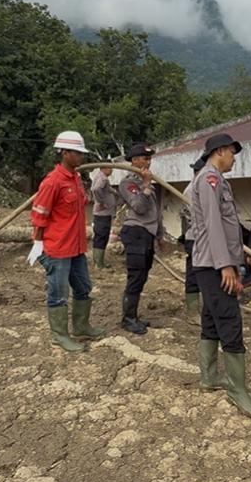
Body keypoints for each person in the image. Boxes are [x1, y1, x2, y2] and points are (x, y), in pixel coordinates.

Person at [191, 133, 251, 418]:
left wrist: (239, 258)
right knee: (229, 320)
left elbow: (227, 227)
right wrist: (225, 265)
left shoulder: (217, 180)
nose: (234, 158)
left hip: (216, 261)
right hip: (212, 264)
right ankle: (237, 390)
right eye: (232, 153)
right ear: (220, 151)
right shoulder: (209, 180)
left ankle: (209, 378)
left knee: (211, 318)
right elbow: (212, 225)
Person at [27, 131, 103, 353]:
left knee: (83, 287)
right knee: (58, 294)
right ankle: (59, 335)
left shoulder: (76, 179)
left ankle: (81, 326)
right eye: (77, 153)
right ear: (65, 153)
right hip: (57, 248)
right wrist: (38, 243)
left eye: (81, 153)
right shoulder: (53, 182)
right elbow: (39, 214)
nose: (81, 157)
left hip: (76, 247)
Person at [118, 143, 167, 335]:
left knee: (143, 276)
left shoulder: (148, 183)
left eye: (149, 159)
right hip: (135, 233)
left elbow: (156, 213)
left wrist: (160, 235)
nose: (148, 163)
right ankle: (128, 318)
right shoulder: (128, 183)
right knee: (136, 277)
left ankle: (134, 315)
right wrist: (145, 186)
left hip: (147, 234)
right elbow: (139, 206)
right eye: (145, 159)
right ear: (135, 160)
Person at [179, 157, 206, 318]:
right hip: (195, 237)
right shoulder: (191, 191)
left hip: (201, 237)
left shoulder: (201, 188)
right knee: (194, 273)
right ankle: (193, 311)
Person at [89, 165, 120, 269]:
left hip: (103, 213)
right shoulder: (102, 178)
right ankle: (99, 263)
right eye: (110, 168)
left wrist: (112, 191)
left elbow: (103, 188)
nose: (111, 170)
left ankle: (98, 261)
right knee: (102, 236)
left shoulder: (100, 177)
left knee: (100, 236)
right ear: (104, 168)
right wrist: (101, 202)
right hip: (103, 213)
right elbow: (96, 189)